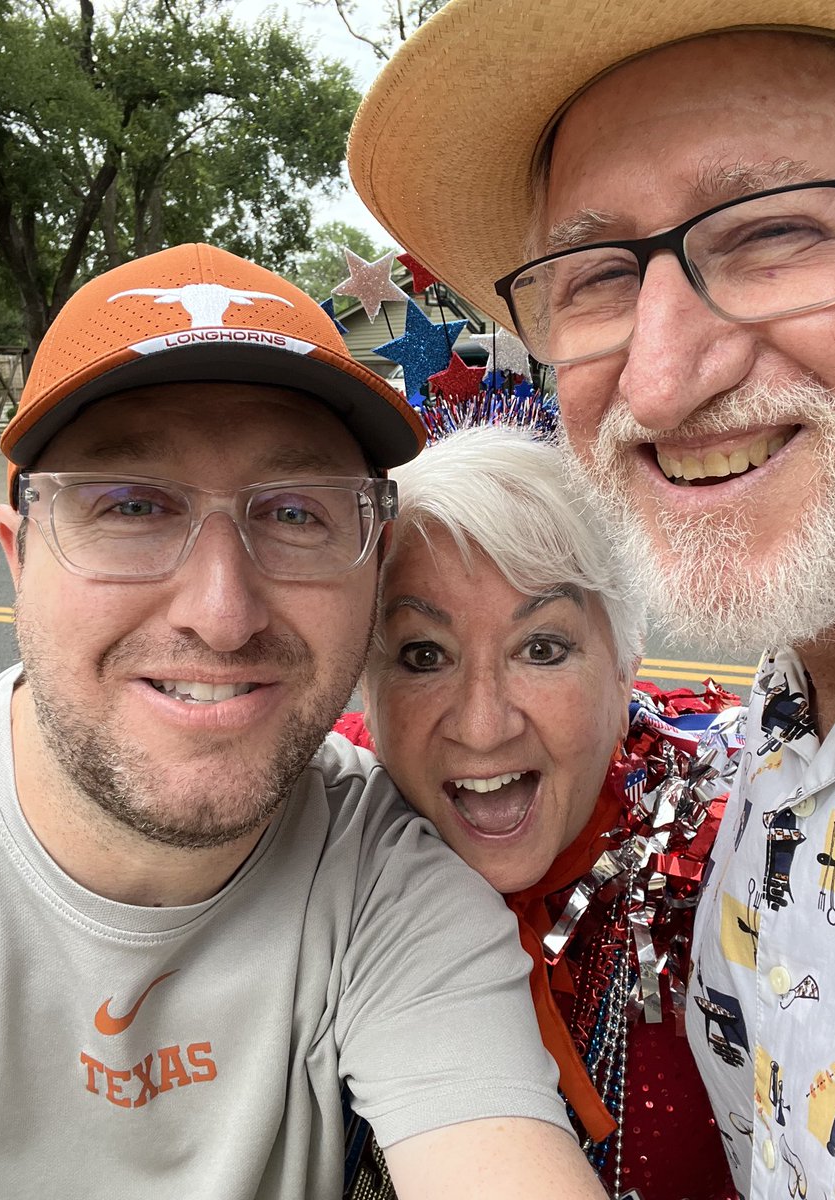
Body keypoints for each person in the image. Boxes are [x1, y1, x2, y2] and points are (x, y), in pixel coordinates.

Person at [348, 4, 835, 1196]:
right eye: (597, 275)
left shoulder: (680, 858)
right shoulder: (774, 754)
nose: (657, 377)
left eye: (771, 232)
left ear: (625, 655)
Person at [0, 242, 611, 1200]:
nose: (221, 611)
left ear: (371, 567)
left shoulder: (392, 885)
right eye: (131, 505)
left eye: (294, 514)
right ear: (19, 553)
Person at [339, 424, 741, 1200]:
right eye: (424, 655)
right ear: (365, 687)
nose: (483, 725)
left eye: (543, 649)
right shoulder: (314, 830)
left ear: (627, 663)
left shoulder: (731, 869)